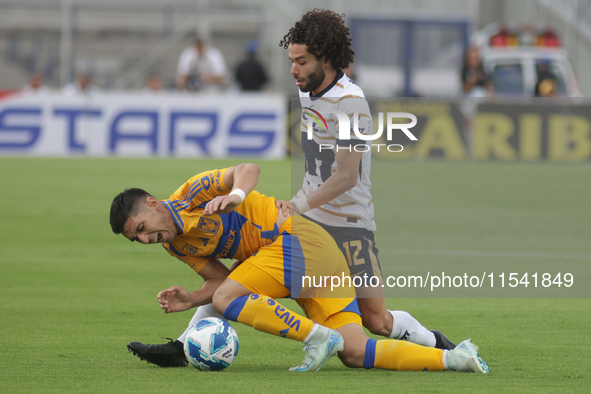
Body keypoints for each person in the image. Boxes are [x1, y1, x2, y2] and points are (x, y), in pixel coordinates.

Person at [110, 164, 489, 373]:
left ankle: (314, 339)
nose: (145, 240)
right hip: (292, 261)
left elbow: (247, 168)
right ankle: (451, 356)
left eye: (142, 229)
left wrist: (236, 196)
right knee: (358, 349)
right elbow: (220, 280)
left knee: (229, 297)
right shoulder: (177, 245)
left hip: (297, 239)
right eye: (136, 240)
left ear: (153, 204)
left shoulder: (193, 194)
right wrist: (192, 297)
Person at [281, 9, 454, 349]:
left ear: (326, 59)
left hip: (349, 224)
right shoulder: (307, 91)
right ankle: (185, 344)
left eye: (301, 61)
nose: (293, 70)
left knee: (376, 320)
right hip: (308, 219)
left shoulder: (352, 104)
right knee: (240, 272)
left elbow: (345, 176)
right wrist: (300, 206)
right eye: (292, 60)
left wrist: (296, 204)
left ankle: (434, 343)